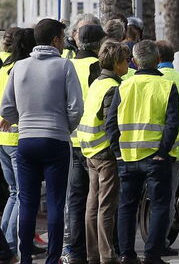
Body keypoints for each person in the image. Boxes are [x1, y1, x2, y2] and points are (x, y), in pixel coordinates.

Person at [0, 18, 83, 264]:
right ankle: (52, 258)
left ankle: (25, 258)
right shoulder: (64, 66)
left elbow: (6, 107)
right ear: (56, 40)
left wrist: (22, 122)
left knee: (27, 201)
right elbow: (76, 108)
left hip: (26, 141)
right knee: (57, 202)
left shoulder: (19, 67)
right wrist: (63, 127)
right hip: (56, 141)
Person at [106, 40, 179, 264]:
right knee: (158, 206)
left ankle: (127, 254)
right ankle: (152, 255)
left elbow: (110, 124)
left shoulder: (123, 86)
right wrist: (163, 151)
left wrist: (118, 152)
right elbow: (171, 124)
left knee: (127, 206)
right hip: (155, 157)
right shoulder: (167, 86)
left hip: (128, 158)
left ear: (135, 62)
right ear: (158, 60)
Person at [79, 41, 129, 264]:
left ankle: (93, 255)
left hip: (89, 150)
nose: (129, 64)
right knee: (106, 207)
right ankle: (107, 256)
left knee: (93, 205)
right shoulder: (113, 87)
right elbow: (111, 123)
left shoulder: (97, 83)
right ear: (117, 64)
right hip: (105, 153)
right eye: (126, 60)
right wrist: (117, 152)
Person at [66, 24, 105, 264]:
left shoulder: (67, 65)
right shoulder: (98, 68)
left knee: (76, 197)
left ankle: (76, 250)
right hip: (95, 142)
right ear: (99, 44)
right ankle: (99, 251)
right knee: (99, 200)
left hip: (71, 140)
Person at [0, 27, 35, 254]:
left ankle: (5, 242)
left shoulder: (3, 67)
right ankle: (11, 244)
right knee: (21, 193)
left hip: (2, 138)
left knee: (14, 192)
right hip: (16, 136)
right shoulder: (21, 70)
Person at [155, 40, 179, 257]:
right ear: (172, 58)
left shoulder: (141, 79)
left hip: (139, 149)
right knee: (166, 199)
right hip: (174, 150)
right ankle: (161, 240)